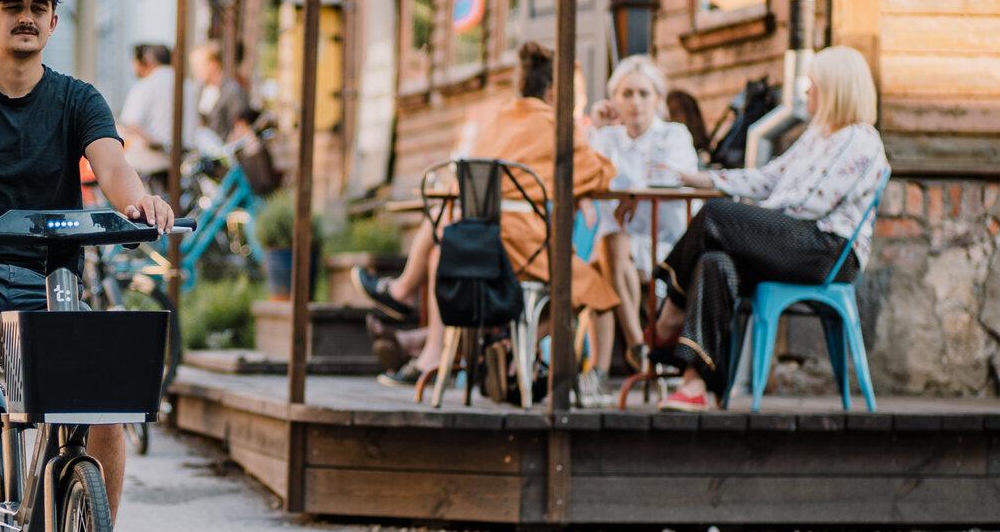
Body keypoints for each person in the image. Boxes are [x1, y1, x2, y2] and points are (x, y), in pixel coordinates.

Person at [0, 0, 176, 524]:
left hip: (48, 280)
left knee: (105, 402)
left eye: (38, 9)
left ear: (54, 22)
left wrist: (141, 204)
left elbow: (115, 168)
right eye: (14, 8)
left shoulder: (79, 100)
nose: (26, 18)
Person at [353, 42, 622, 391]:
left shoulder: (496, 120)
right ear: (556, 92)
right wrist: (599, 134)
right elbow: (599, 174)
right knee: (597, 287)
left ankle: (476, 350)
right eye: (577, 95)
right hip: (524, 251)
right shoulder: (557, 128)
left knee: (439, 252)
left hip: (475, 247)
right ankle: (519, 356)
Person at [648, 46, 890, 412]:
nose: (807, 92)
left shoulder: (860, 141)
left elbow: (811, 204)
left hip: (826, 250)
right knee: (714, 261)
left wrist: (745, 221)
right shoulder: (817, 136)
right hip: (791, 240)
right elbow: (767, 178)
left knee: (716, 216)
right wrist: (704, 178)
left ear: (835, 90)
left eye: (814, 85)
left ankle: (671, 311)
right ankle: (695, 383)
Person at [581, 55, 699, 401]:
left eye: (643, 94)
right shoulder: (606, 138)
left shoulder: (674, 134)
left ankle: (600, 371)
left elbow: (673, 176)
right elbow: (586, 173)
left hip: (667, 247)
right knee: (612, 248)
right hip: (625, 250)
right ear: (614, 100)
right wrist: (597, 130)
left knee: (602, 266)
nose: (635, 103)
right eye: (626, 94)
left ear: (658, 100)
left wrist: (632, 190)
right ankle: (639, 346)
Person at [118, 43, 196, 183]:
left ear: (149, 60)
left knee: (118, 163)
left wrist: (156, 143)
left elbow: (131, 123)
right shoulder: (187, 83)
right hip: (185, 158)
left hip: (154, 161)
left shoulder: (146, 84)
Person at [191, 41, 255, 147]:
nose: (195, 70)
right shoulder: (200, 89)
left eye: (198, 65)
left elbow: (240, 127)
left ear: (213, 64)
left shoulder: (231, 90)